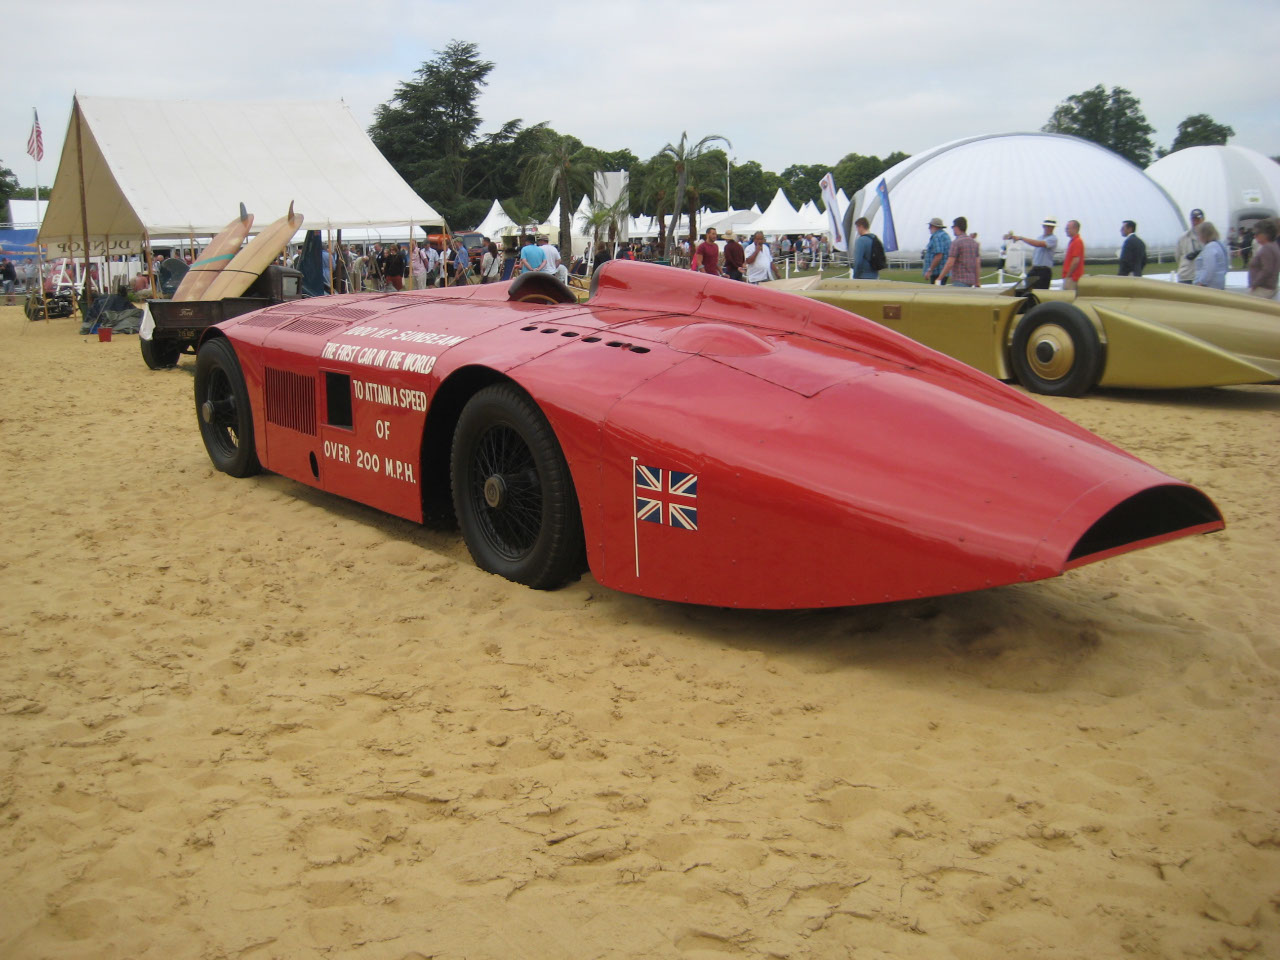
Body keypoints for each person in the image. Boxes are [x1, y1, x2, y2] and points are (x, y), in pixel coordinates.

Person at [1006, 218, 1058, 290]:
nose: (1048, 228)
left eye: (1050, 227)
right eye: (1046, 226)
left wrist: (1021, 238)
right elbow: (1036, 252)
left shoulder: (1053, 239)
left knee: (1040, 291)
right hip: (1035, 268)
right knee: (1027, 288)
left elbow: (1038, 244)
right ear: (1044, 227)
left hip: (1044, 270)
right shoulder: (1040, 237)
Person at [938, 216, 979, 287]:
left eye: (953, 227)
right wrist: (977, 281)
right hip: (971, 281)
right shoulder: (974, 243)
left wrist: (939, 278)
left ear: (956, 227)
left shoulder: (956, 243)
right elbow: (977, 263)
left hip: (959, 280)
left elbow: (950, 263)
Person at [1245, 218, 1278, 298]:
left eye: (1257, 233)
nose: (1255, 236)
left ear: (1265, 234)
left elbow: (1267, 270)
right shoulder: (1274, 245)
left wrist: (1254, 284)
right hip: (1269, 287)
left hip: (1262, 289)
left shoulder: (1267, 248)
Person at [1192, 221, 1228, 289]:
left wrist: (1201, 283)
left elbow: (1209, 268)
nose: (1198, 237)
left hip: (1209, 286)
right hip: (1219, 284)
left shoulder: (1210, 248)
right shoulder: (1219, 245)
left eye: (1199, 234)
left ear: (1204, 234)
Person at [1176, 208, 1205, 283]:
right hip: (1186, 276)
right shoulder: (1183, 237)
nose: (1195, 222)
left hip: (1201, 277)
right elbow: (1177, 256)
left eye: (1198, 219)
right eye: (1193, 219)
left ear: (1203, 220)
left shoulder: (1207, 237)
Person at [922, 217, 951, 284]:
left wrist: (930, 270)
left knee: (935, 292)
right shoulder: (945, 235)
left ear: (934, 227)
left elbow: (939, 255)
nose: (929, 228)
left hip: (937, 272)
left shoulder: (937, 236)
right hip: (943, 271)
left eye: (930, 226)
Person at [1061, 220, 1085, 291]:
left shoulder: (1077, 242)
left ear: (1075, 229)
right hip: (1071, 277)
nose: (1066, 230)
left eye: (1068, 228)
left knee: (1069, 298)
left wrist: (1068, 276)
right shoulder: (1073, 241)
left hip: (1072, 278)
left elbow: (1075, 261)